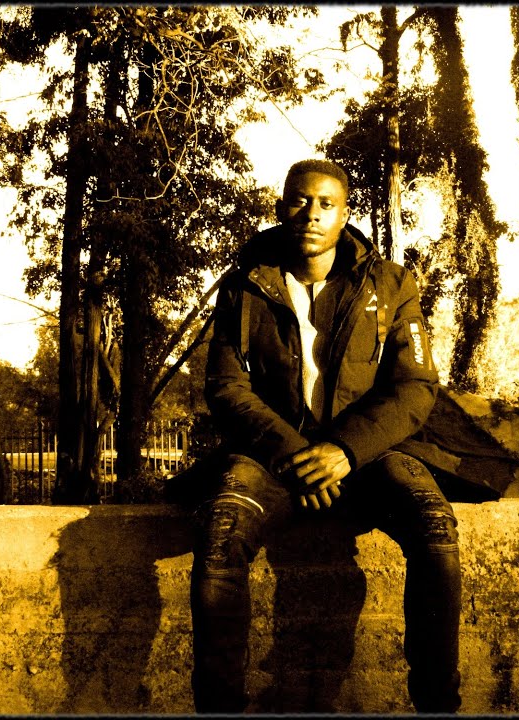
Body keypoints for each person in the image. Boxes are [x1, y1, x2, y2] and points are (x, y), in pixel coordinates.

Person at [190, 158, 461, 713]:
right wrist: (295, 455)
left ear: (344, 214)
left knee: (435, 529)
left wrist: (344, 450)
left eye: (326, 204)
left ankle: (439, 705)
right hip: (272, 458)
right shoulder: (246, 284)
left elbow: (415, 386)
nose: (311, 214)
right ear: (280, 207)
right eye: (299, 200)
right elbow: (226, 386)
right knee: (220, 533)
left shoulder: (389, 284)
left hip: (369, 455)